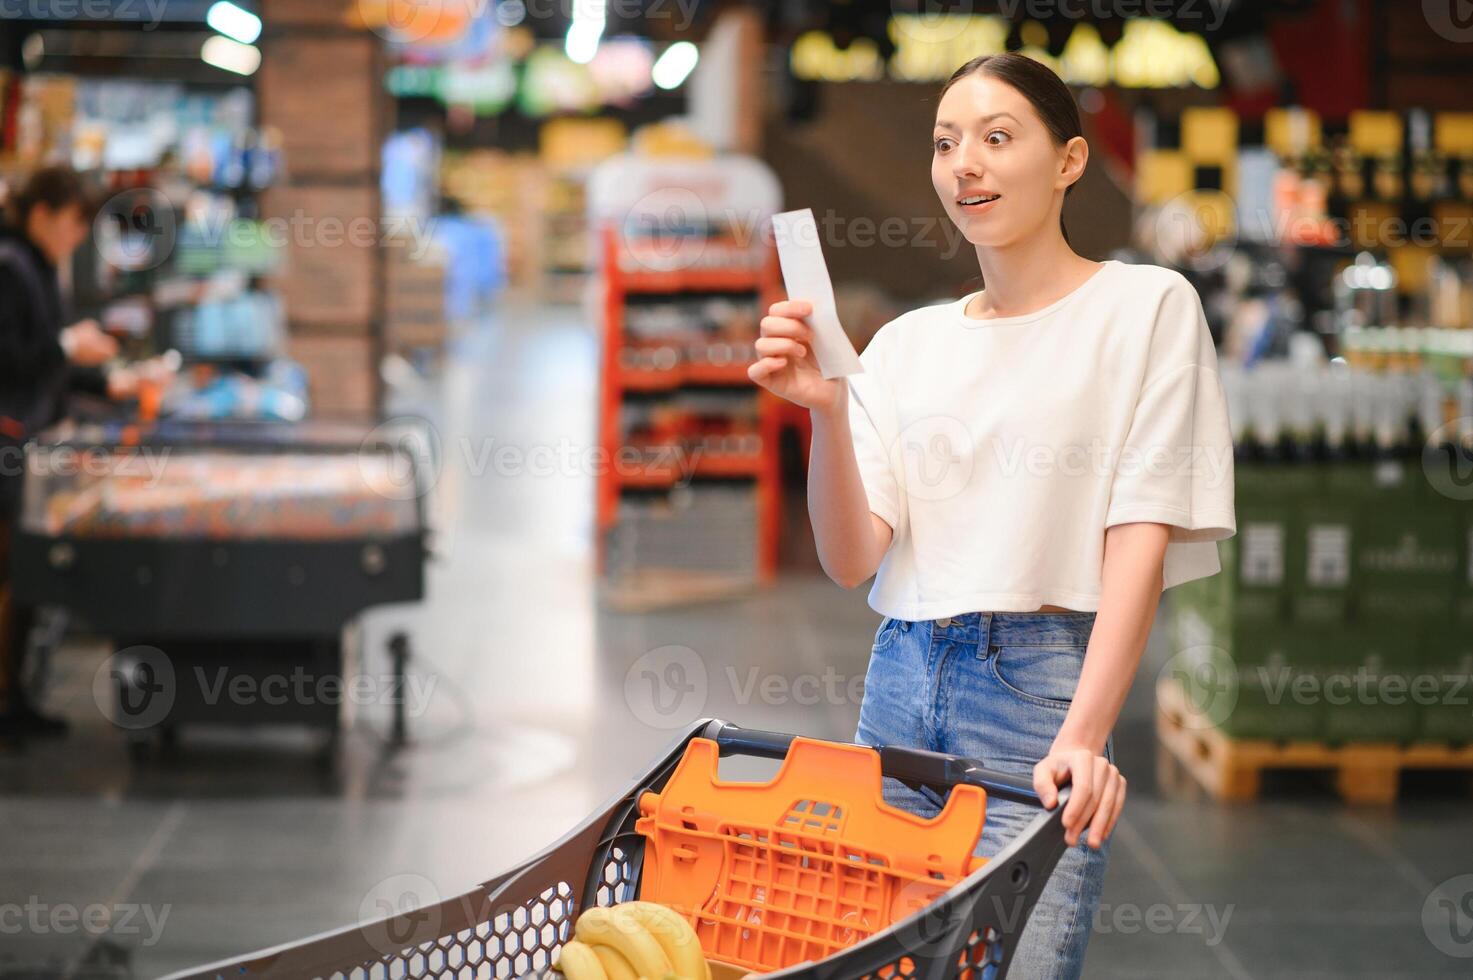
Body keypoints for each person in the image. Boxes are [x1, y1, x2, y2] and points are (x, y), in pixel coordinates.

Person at [749, 54, 1235, 980]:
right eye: (944, 144)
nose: (962, 163)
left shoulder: (1143, 308)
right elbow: (852, 558)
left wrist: (1085, 733)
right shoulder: (904, 345)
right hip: (899, 674)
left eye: (996, 138)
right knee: (876, 966)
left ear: (1069, 161)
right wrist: (824, 409)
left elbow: (1137, 532)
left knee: (1014, 966)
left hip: (1040, 688)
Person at [0, 165, 155, 738]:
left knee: (22, 572)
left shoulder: (37, 268)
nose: (74, 236)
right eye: (70, 223)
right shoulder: (12, 266)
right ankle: (6, 697)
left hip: (26, 437)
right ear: (41, 213)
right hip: (9, 441)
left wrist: (107, 382)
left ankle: (14, 692)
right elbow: (19, 359)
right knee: (13, 570)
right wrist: (71, 345)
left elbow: (50, 367)